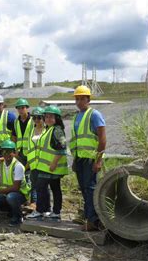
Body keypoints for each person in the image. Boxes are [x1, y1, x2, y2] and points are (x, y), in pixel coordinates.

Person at [69, 85, 106, 231]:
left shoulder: (94, 114)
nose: (79, 101)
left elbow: (102, 139)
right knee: (84, 189)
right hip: (80, 159)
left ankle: (93, 221)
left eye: (82, 99)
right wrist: (74, 160)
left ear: (88, 99)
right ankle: (88, 216)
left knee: (90, 189)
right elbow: (76, 141)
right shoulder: (76, 116)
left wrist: (98, 160)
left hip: (90, 159)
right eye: (77, 99)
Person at [29, 105, 69, 221]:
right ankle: (55, 212)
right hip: (47, 167)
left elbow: (62, 148)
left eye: (51, 117)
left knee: (41, 187)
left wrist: (53, 163)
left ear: (57, 118)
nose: (48, 119)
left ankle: (41, 210)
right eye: (46, 117)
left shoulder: (56, 130)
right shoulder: (50, 129)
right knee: (54, 188)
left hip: (50, 167)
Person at [0, 140, 31, 226]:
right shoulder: (2, 164)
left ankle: (18, 217)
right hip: (7, 192)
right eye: (4, 151)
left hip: (20, 194)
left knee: (11, 197)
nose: (6, 154)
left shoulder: (18, 166)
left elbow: (16, 187)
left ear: (14, 153)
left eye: (9, 151)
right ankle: (11, 211)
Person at [11, 98, 36, 208]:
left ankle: (34, 201)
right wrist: (14, 150)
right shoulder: (16, 121)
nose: (21, 110)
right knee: (22, 176)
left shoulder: (33, 120)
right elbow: (14, 137)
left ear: (27, 108)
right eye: (19, 108)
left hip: (31, 152)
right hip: (19, 153)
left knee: (32, 177)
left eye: (23, 107)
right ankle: (25, 199)